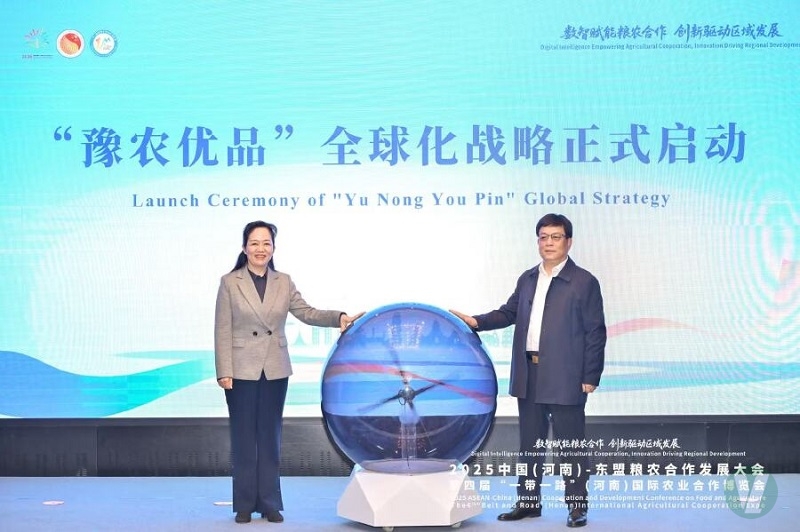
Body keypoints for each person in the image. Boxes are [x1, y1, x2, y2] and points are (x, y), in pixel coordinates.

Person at [451, 213, 605, 529]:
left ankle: (577, 506)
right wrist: (477, 321)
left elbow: (595, 332)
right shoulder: (528, 278)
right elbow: (509, 312)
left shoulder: (584, 282)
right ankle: (528, 502)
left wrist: (590, 376)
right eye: (543, 237)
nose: (549, 243)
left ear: (568, 242)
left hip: (566, 376)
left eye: (556, 237)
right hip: (529, 374)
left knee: (571, 446)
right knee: (530, 445)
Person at [214, 220, 363, 524]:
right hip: (240, 369)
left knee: (270, 437)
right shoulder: (230, 282)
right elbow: (222, 329)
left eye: (266, 243)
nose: (260, 249)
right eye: (254, 243)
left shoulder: (283, 281)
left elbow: (307, 312)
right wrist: (223, 371)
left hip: (274, 368)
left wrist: (338, 317)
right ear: (244, 248)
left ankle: (270, 503)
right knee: (244, 438)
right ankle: (244, 504)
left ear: (273, 248)